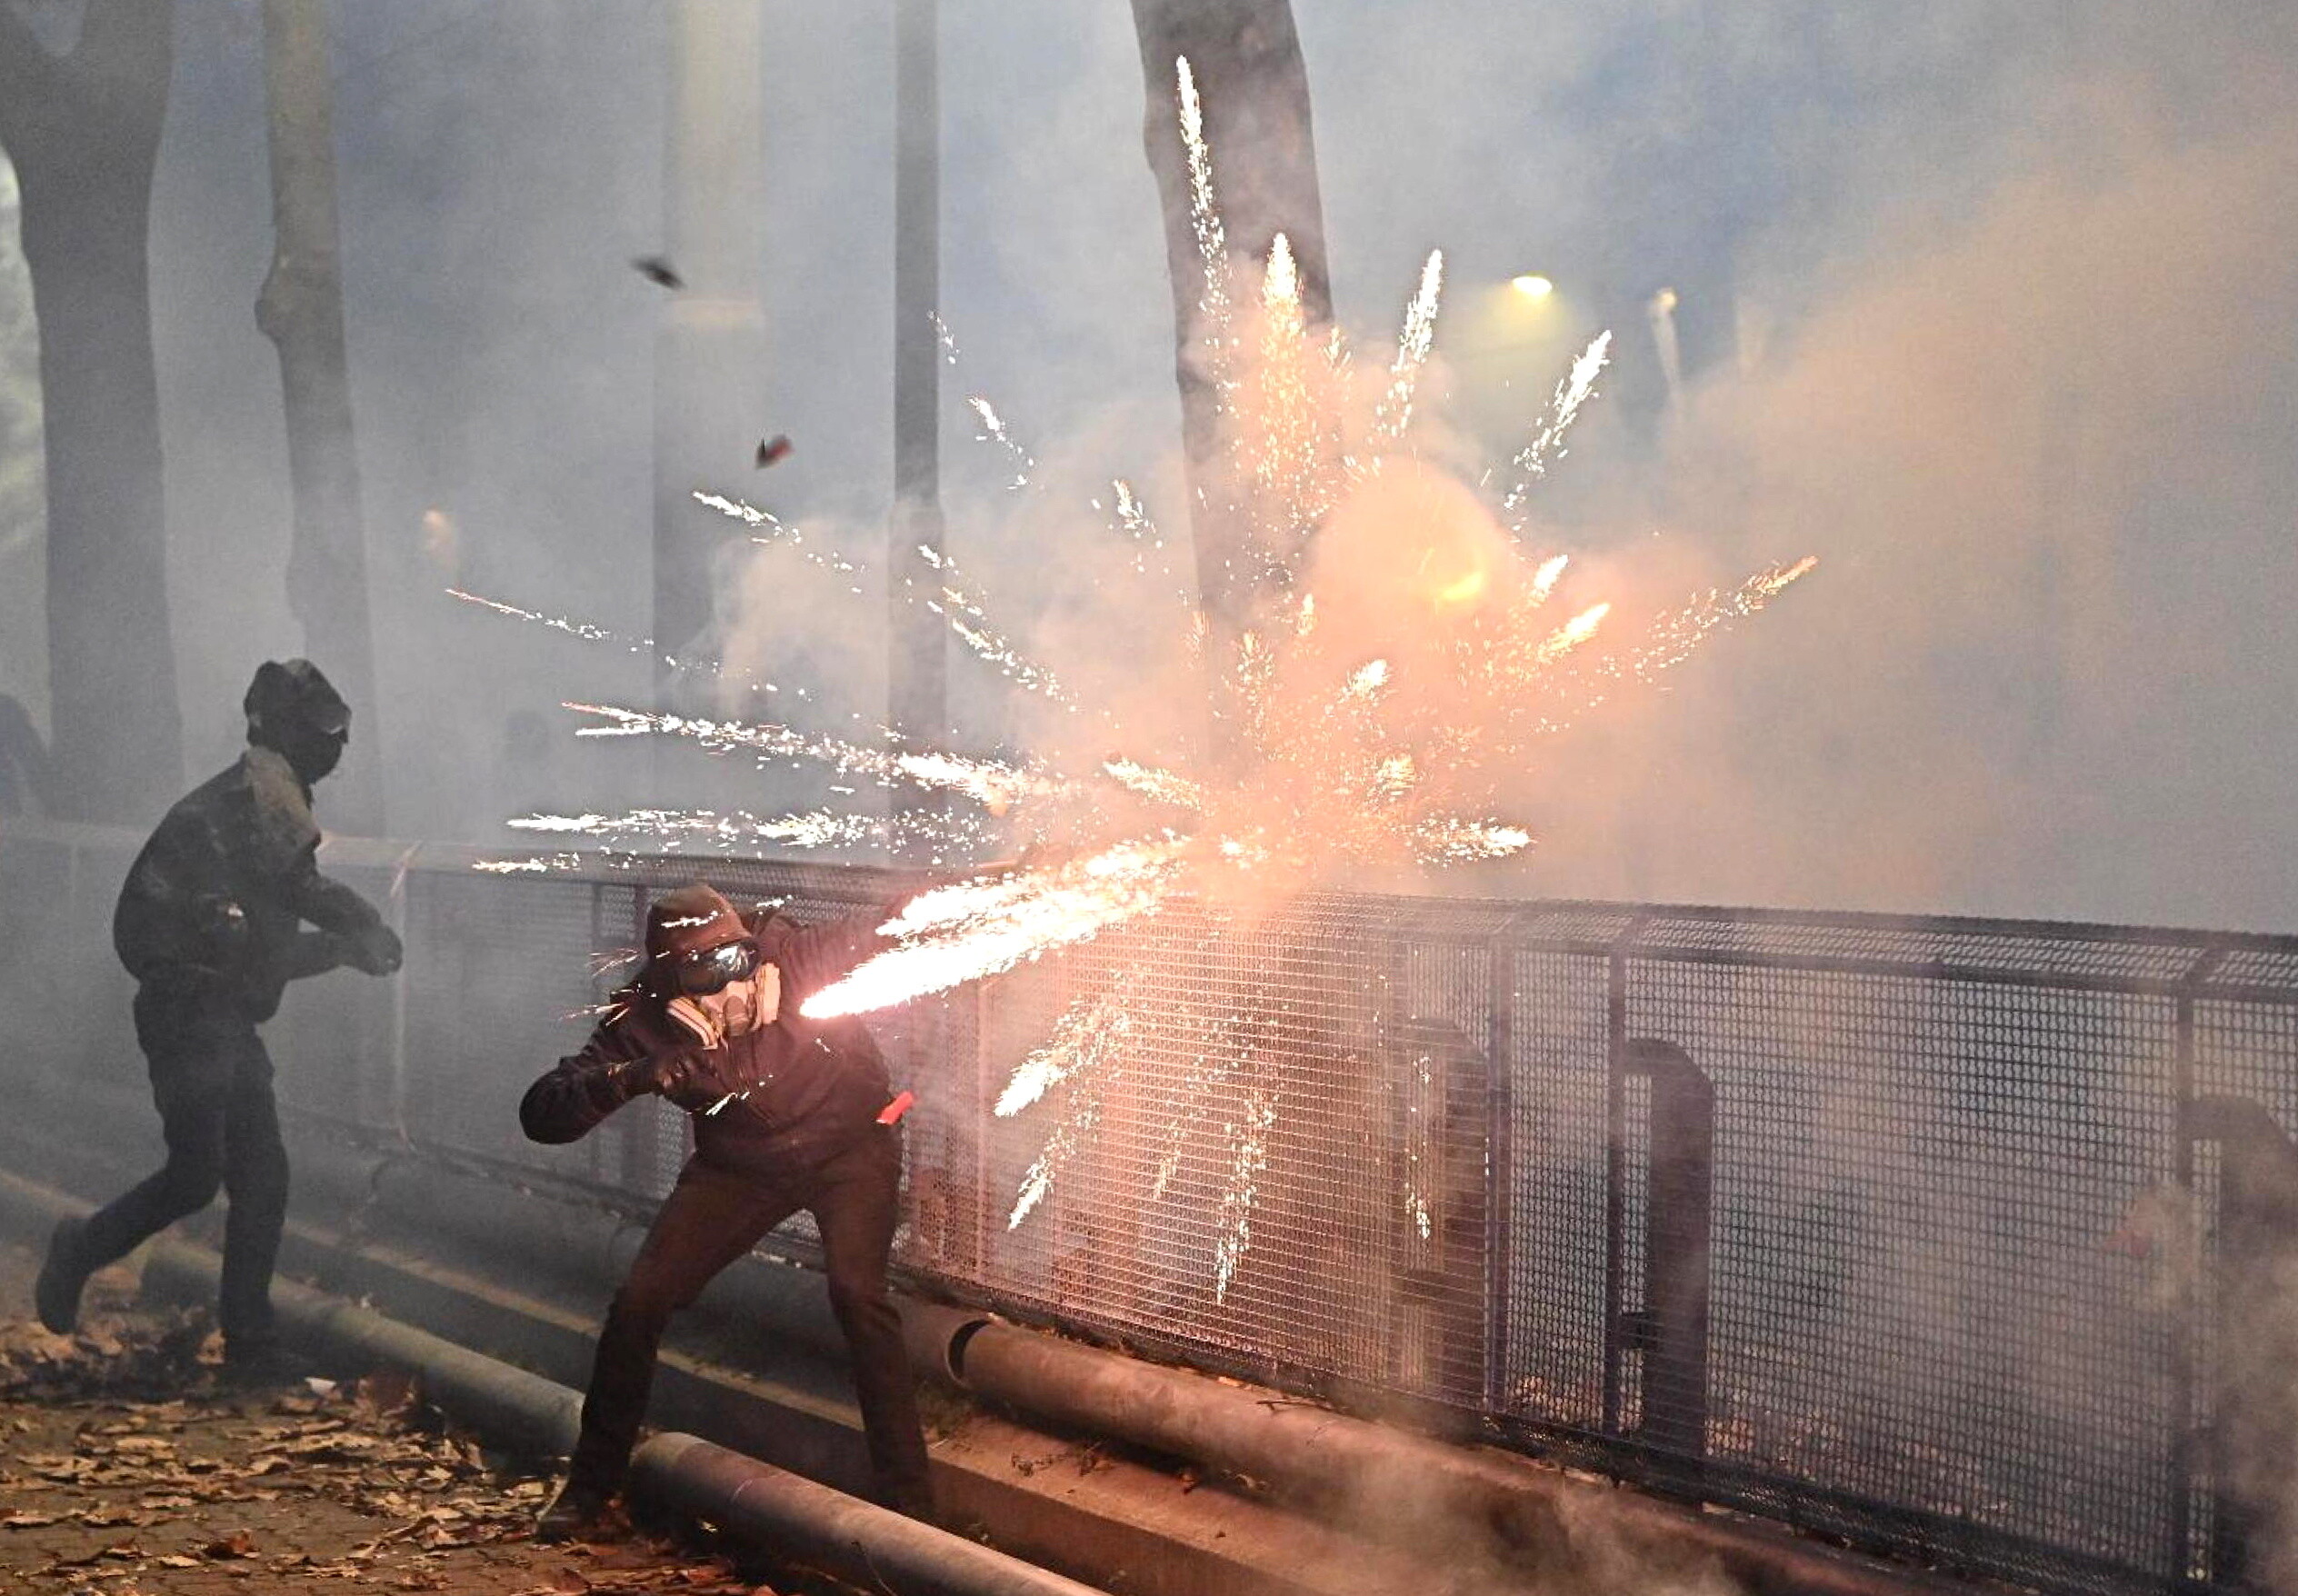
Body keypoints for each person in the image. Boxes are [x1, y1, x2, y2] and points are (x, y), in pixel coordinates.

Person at [518, 881, 929, 1541]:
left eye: (738, 960)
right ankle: (590, 1489)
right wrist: (630, 1077)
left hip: (852, 1149)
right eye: (707, 971)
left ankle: (913, 1512)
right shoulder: (644, 1019)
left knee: (859, 1295)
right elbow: (543, 1112)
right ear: (671, 977)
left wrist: (954, 896)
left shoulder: (796, 956)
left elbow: (890, 923)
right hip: (739, 1170)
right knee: (639, 1303)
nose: (731, 984)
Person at [35, 660, 403, 1368]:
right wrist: (360, 926)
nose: (338, 749)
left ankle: (249, 1339)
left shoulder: (252, 811)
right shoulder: (262, 796)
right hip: (191, 1011)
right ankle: (82, 1250)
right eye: (326, 733)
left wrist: (342, 948)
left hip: (214, 1012)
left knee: (253, 1175)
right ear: (290, 731)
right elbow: (295, 894)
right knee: (204, 1175)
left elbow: (262, 945)